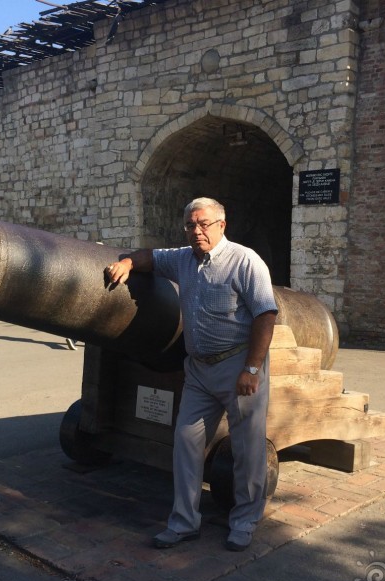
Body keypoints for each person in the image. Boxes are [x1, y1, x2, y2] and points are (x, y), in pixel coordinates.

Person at [105, 197, 278, 552]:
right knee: (185, 441)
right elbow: (150, 257)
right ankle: (184, 522)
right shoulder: (183, 258)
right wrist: (127, 261)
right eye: (190, 225)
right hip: (199, 369)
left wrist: (252, 368)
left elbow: (265, 314)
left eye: (204, 224)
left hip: (237, 365)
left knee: (247, 448)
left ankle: (244, 521)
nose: (197, 231)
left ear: (222, 225)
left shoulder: (245, 261)